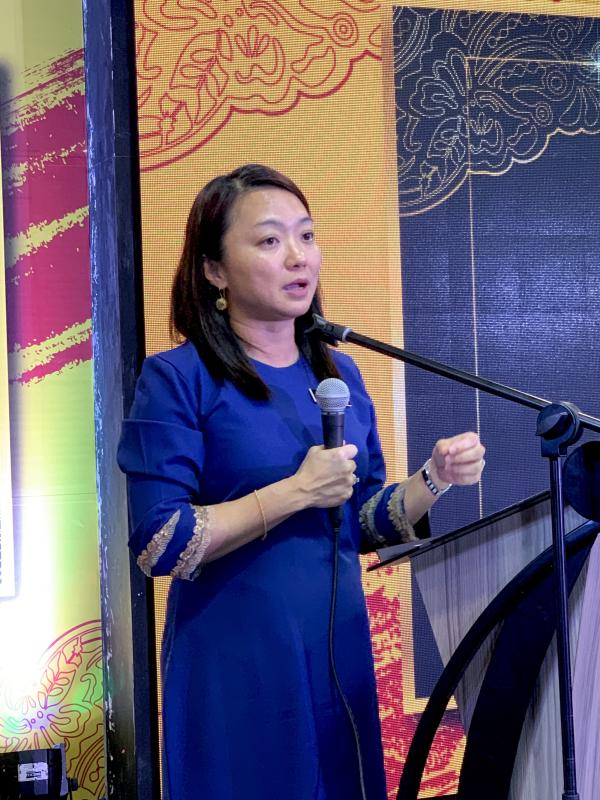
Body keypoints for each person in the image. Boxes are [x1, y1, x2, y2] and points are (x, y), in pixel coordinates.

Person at [117, 164, 485, 800]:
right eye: (269, 240)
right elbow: (160, 542)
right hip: (237, 664)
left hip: (337, 654)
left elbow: (360, 519)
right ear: (213, 270)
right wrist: (294, 492)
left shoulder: (338, 376)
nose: (298, 257)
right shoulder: (177, 379)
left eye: (306, 236)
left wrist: (433, 478)